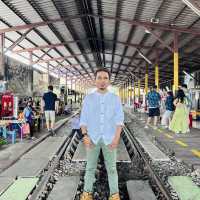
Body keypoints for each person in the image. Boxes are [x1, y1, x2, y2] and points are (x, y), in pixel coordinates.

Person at [80, 68, 124, 200]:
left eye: (105, 78)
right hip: (92, 138)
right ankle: (87, 194)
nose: (102, 81)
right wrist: (85, 135)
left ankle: (114, 195)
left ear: (109, 81)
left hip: (110, 139)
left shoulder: (115, 98)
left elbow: (119, 120)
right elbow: (83, 119)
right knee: (90, 167)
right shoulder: (89, 98)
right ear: (95, 80)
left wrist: (116, 138)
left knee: (112, 169)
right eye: (99, 78)